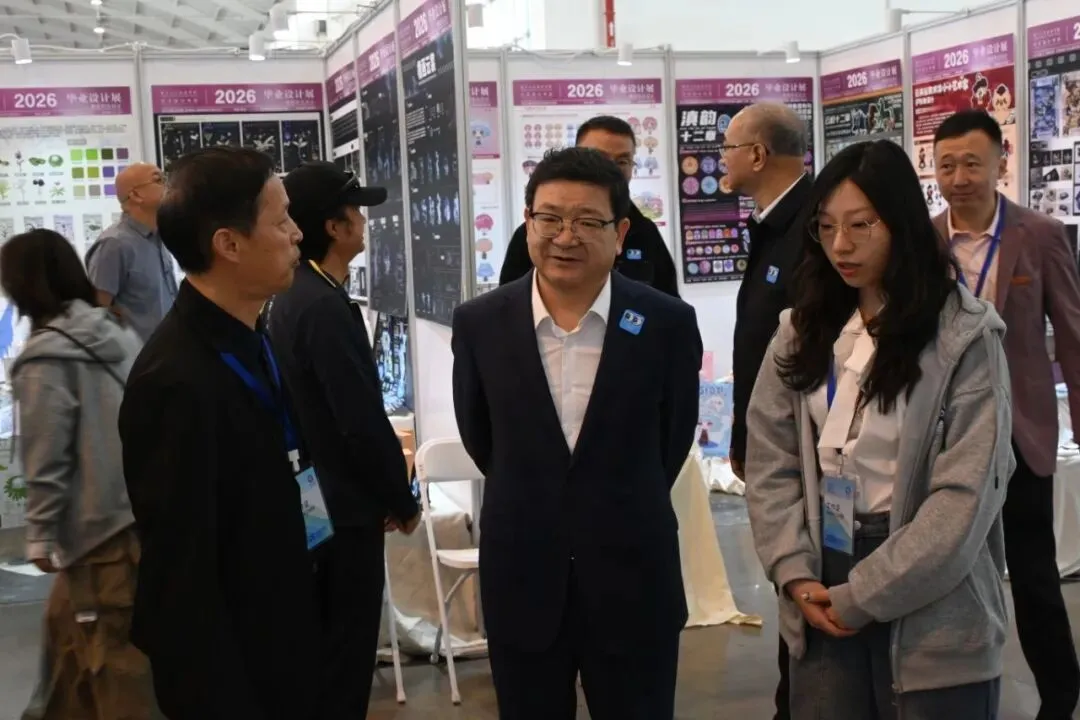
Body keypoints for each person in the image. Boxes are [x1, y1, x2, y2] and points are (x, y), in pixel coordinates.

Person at [745, 139, 1013, 719]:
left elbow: (963, 499)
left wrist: (865, 593)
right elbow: (771, 461)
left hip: (931, 589)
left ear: (902, 224)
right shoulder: (802, 331)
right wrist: (793, 572)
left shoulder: (963, 338)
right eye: (826, 227)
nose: (841, 245)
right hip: (822, 572)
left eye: (861, 225)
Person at [452, 146, 701, 720]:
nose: (566, 237)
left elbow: (671, 440)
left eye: (588, 222)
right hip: (523, 575)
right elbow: (482, 438)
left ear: (621, 233)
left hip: (633, 576)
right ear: (528, 222)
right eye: (550, 218)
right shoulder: (481, 323)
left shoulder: (666, 323)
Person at [118, 147, 320, 719]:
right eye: (281, 220)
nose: (297, 233)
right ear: (228, 244)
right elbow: (181, 574)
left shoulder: (251, 332)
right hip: (233, 672)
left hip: (283, 632)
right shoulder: (175, 379)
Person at [933, 109, 1080, 720]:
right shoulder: (924, 241)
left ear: (1000, 162)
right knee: (946, 569)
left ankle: (1060, 698)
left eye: (972, 163)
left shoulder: (1041, 235)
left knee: (1034, 573)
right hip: (945, 435)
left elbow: (1072, 335)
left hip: (1020, 432)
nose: (959, 178)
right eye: (946, 165)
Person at [266, 161, 421, 717]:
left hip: (317, 496)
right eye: (356, 211)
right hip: (344, 506)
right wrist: (400, 499)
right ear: (334, 227)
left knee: (328, 642)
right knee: (347, 647)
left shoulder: (298, 294)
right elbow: (358, 419)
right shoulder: (324, 307)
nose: (364, 221)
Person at [1, 229, 156, 720]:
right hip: (137, 520)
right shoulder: (116, 332)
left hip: (97, 539)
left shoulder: (44, 359)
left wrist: (40, 534)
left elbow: (47, 458)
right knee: (68, 656)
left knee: (113, 667)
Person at [724, 100, 813, 720]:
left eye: (728, 149)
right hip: (771, 440)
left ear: (757, 154)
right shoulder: (772, 225)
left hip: (802, 446)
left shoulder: (808, 226)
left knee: (801, 571)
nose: (721, 161)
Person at [499, 115, 680, 297]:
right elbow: (507, 303)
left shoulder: (645, 233)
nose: (565, 240)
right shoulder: (536, 234)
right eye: (598, 158)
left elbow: (667, 304)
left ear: (620, 232)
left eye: (622, 162)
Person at [86, 163, 178, 341]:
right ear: (136, 195)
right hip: (136, 355)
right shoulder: (114, 244)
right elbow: (96, 312)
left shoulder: (158, 237)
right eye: (158, 180)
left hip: (167, 350)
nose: (168, 185)